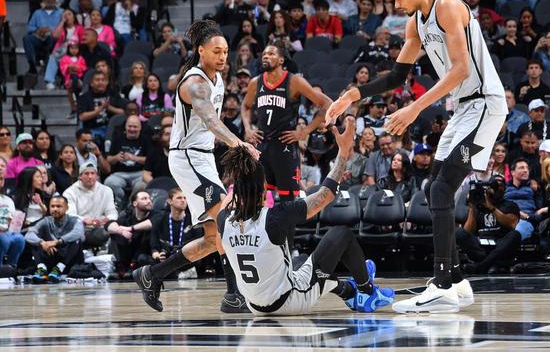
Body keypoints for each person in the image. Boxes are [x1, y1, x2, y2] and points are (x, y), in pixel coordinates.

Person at [326, 0, 507, 312]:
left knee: (441, 189)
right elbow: (397, 76)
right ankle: (456, 281)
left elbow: (461, 69)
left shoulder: (447, 7)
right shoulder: (416, 23)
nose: (396, 5)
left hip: (485, 103)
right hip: (463, 109)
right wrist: (352, 95)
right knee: (432, 187)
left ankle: (441, 285)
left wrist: (414, 108)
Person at [133, 20, 260, 314]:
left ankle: (152, 274)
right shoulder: (195, 83)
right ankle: (233, 296)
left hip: (202, 157)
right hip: (188, 157)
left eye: (225, 51)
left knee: (213, 238)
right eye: (217, 51)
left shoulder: (217, 79)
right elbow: (211, 120)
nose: (223, 56)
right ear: (201, 51)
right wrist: (239, 144)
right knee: (228, 220)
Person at [218, 116, 394, 315]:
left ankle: (348, 291)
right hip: (289, 302)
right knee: (341, 234)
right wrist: (344, 152)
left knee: (301, 260)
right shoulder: (274, 217)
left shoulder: (223, 220)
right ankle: (367, 291)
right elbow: (326, 195)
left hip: (255, 306)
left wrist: (243, 163)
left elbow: (237, 189)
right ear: (263, 189)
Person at [242, 45, 332, 201]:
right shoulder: (255, 82)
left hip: (285, 147)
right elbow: (245, 106)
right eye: (264, 54)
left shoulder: (294, 81)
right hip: (262, 147)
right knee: (259, 200)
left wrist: (306, 131)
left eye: (271, 53)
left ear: (281, 60)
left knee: (288, 202)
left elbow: (327, 104)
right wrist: (248, 128)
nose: (266, 56)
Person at [456, 176, 521, 274]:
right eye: (495, 185)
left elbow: (511, 224)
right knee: (459, 232)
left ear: (505, 189)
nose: (498, 187)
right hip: (481, 246)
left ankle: (481, 266)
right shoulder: (479, 206)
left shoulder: (510, 205)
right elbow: (468, 231)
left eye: (501, 185)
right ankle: (491, 264)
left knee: (515, 235)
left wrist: (491, 207)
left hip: (500, 245)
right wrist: (472, 208)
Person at [25, 196, 85, 283]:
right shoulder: (46, 221)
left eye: (58, 206)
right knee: (34, 240)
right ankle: (42, 269)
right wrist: (42, 243)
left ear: (67, 208)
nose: (55, 209)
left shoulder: (74, 220)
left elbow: (79, 232)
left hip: (68, 260)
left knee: (76, 240)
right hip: (51, 256)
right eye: (52, 206)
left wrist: (57, 242)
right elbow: (29, 234)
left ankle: (59, 269)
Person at [63, 161, 117, 249]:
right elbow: (69, 215)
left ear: (97, 176)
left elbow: (113, 213)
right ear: (80, 176)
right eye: (86, 173)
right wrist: (85, 220)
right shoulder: (69, 192)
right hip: (81, 228)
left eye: (92, 173)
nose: (90, 176)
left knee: (114, 228)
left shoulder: (107, 190)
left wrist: (107, 219)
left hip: (100, 227)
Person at [150, 188, 203, 278]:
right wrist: (156, 254)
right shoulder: (160, 220)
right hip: (165, 257)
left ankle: (171, 273)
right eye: (179, 198)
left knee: (198, 258)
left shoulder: (193, 221)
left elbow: (198, 241)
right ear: (170, 201)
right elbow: (154, 244)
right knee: (144, 259)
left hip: (185, 257)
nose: (183, 200)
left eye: (185, 198)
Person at [104, 115, 152, 206]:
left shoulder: (146, 140)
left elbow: (150, 160)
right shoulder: (117, 139)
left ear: (140, 128)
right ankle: (121, 201)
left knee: (142, 186)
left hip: (140, 173)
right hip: (120, 173)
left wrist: (134, 158)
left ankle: (130, 205)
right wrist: (116, 157)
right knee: (109, 182)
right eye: (130, 126)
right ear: (125, 127)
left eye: (135, 127)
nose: (132, 129)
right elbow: (109, 159)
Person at [106, 190, 154, 277]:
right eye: (144, 199)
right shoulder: (127, 214)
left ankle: (133, 267)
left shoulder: (155, 214)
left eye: (149, 198)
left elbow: (152, 223)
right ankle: (120, 266)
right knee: (116, 232)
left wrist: (130, 228)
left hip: (145, 253)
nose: (148, 201)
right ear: (135, 203)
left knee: (148, 234)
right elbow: (108, 225)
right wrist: (121, 231)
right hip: (127, 250)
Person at [23, 0, 63, 73]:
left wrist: (51, 30)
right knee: (27, 38)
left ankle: (47, 65)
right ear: (44, 0)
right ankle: (32, 64)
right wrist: (38, 30)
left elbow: (65, 27)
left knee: (51, 38)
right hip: (39, 38)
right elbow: (29, 28)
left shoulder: (61, 12)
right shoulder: (37, 13)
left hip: (53, 38)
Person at [78, 71, 125, 141]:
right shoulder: (84, 97)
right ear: (91, 84)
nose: (101, 82)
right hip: (93, 130)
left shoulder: (113, 94)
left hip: (112, 129)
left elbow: (124, 112)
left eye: (103, 80)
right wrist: (100, 109)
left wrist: (109, 108)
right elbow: (82, 117)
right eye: (97, 80)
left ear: (107, 82)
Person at [504, 158, 542, 241]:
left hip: (526, 221)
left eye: (527, 168)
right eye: (521, 168)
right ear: (512, 172)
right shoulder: (504, 187)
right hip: (507, 220)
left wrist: (527, 217)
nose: (525, 170)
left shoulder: (534, 188)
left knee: (516, 232)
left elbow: (540, 212)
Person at [0, 175, 25, 271]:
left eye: (1, 179)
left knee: (19, 239)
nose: (0, 181)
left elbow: (12, 218)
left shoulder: (8, 200)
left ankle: (10, 269)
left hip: (6, 231)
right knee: (3, 239)